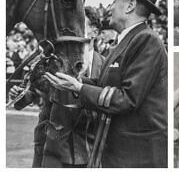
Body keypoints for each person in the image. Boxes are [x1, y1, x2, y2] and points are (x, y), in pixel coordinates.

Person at [44, 0, 168, 168]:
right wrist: (75, 81)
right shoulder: (127, 40)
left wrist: (78, 87)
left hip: (138, 157)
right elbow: (104, 86)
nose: (109, 7)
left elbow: (127, 98)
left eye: (114, 1)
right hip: (121, 154)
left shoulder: (146, 40)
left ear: (130, 6)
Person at [8, 9, 106, 168]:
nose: (74, 30)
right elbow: (25, 98)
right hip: (49, 146)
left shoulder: (104, 64)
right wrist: (19, 95)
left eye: (80, 25)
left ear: (94, 32)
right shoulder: (52, 60)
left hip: (86, 149)